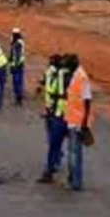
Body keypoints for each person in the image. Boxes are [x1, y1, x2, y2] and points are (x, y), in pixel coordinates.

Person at [37, 54, 69, 183]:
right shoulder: (62, 74)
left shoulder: (56, 75)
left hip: (56, 113)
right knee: (54, 140)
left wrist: (48, 109)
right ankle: (55, 160)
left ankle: (50, 169)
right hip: (57, 112)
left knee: (53, 141)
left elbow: (55, 93)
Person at [63, 54, 93, 191]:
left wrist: (85, 125)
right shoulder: (75, 75)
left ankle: (76, 183)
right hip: (71, 120)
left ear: (74, 63)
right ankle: (72, 179)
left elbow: (87, 102)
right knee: (71, 153)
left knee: (75, 154)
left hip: (78, 123)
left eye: (68, 64)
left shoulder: (82, 77)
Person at [9, 28, 25, 105]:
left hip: (17, 64)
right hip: (19, 64)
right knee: (18, 80)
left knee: (16, 81)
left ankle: (18, 97)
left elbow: (17, 55)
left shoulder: (17, 43)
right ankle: (19, 95)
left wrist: (14, 64)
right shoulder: (19, 41)